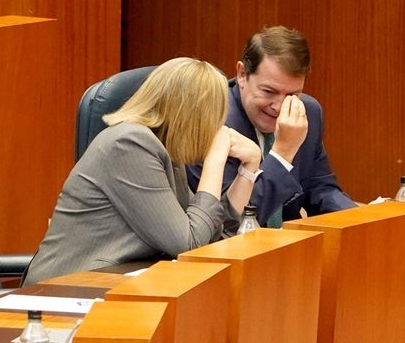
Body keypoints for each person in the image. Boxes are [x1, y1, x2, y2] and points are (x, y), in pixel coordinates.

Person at [22, 57, 261, 285]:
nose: (220, 129)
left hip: (113, 288)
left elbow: (211, 237)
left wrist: (248, 171)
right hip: (65, 292)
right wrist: (215, 160)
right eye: (216, 119)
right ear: (193, 118)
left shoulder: (166, 151)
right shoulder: (129, 145)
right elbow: (190, 243)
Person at [187, 26, 357, 232]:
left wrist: (360, 219)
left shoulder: (307, 112)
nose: (279, 107)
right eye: (269, 91)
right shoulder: (208, 120)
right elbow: (231, 222)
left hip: (287, 249)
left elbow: (321, 190)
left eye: (293, 94)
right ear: (242, 75)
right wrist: (283, 154)